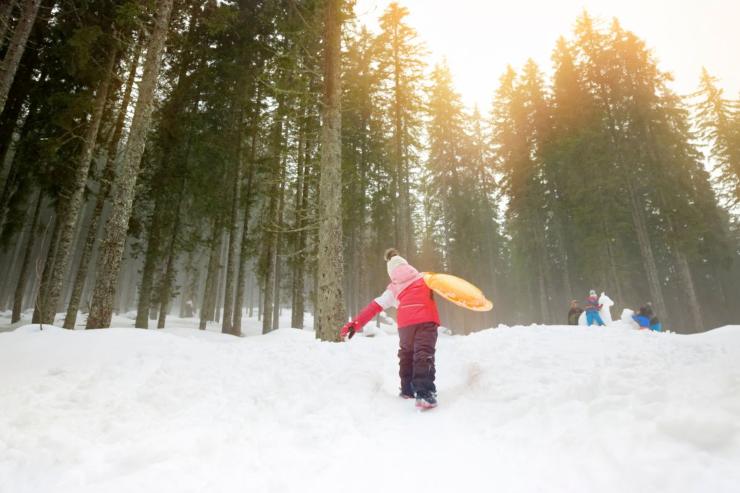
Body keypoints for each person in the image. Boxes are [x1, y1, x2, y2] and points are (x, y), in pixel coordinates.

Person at [340, 248, 441, 409]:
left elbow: (373, 307)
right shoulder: (425, 277)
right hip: (426, 321)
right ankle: (424, 394)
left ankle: (408, 389)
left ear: (391, 272)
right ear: (407, 266)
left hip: (405, 325)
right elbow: (450, 287)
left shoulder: (392, 289)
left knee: (406, 354)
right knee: (423, 353)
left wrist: (355, 324)